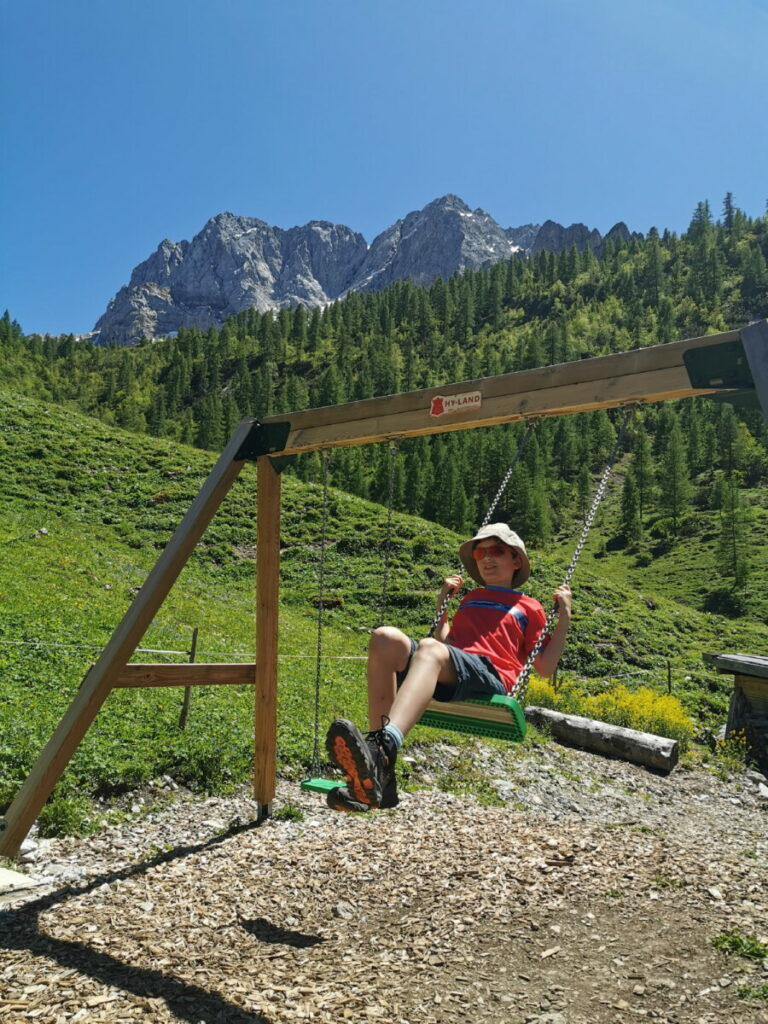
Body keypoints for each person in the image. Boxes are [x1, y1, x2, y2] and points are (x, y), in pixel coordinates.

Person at [325, 523, 573, 812]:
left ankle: (382, 749)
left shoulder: (529, 606)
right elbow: (448, 642)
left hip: (491, 675)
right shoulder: (471, 598)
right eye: (480, 552)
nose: (486, 558)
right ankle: (380, 776)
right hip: (455, 666)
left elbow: (544, 667)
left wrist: (564, 616)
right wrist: (443, 604)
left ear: (516, 560)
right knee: (384, 638)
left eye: (497, 551)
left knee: (430, 649)